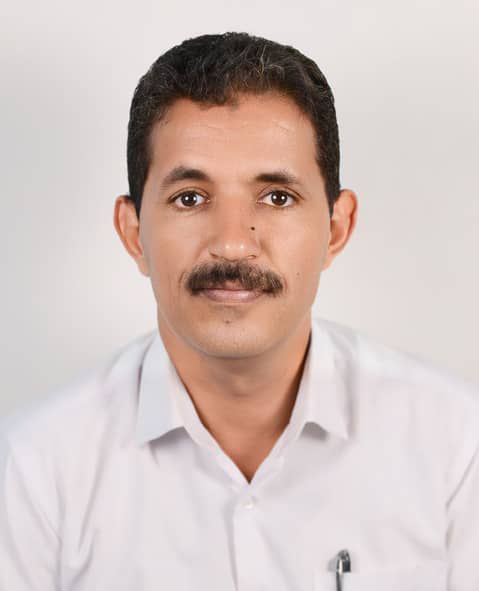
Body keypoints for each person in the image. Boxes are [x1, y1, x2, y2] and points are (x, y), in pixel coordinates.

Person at [1, 31, 478, 591]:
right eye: (190, 198)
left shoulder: (455, 444)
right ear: (133, 233)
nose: (232, 244)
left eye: (277, 197)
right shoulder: (33, 470)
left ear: (336, 228)